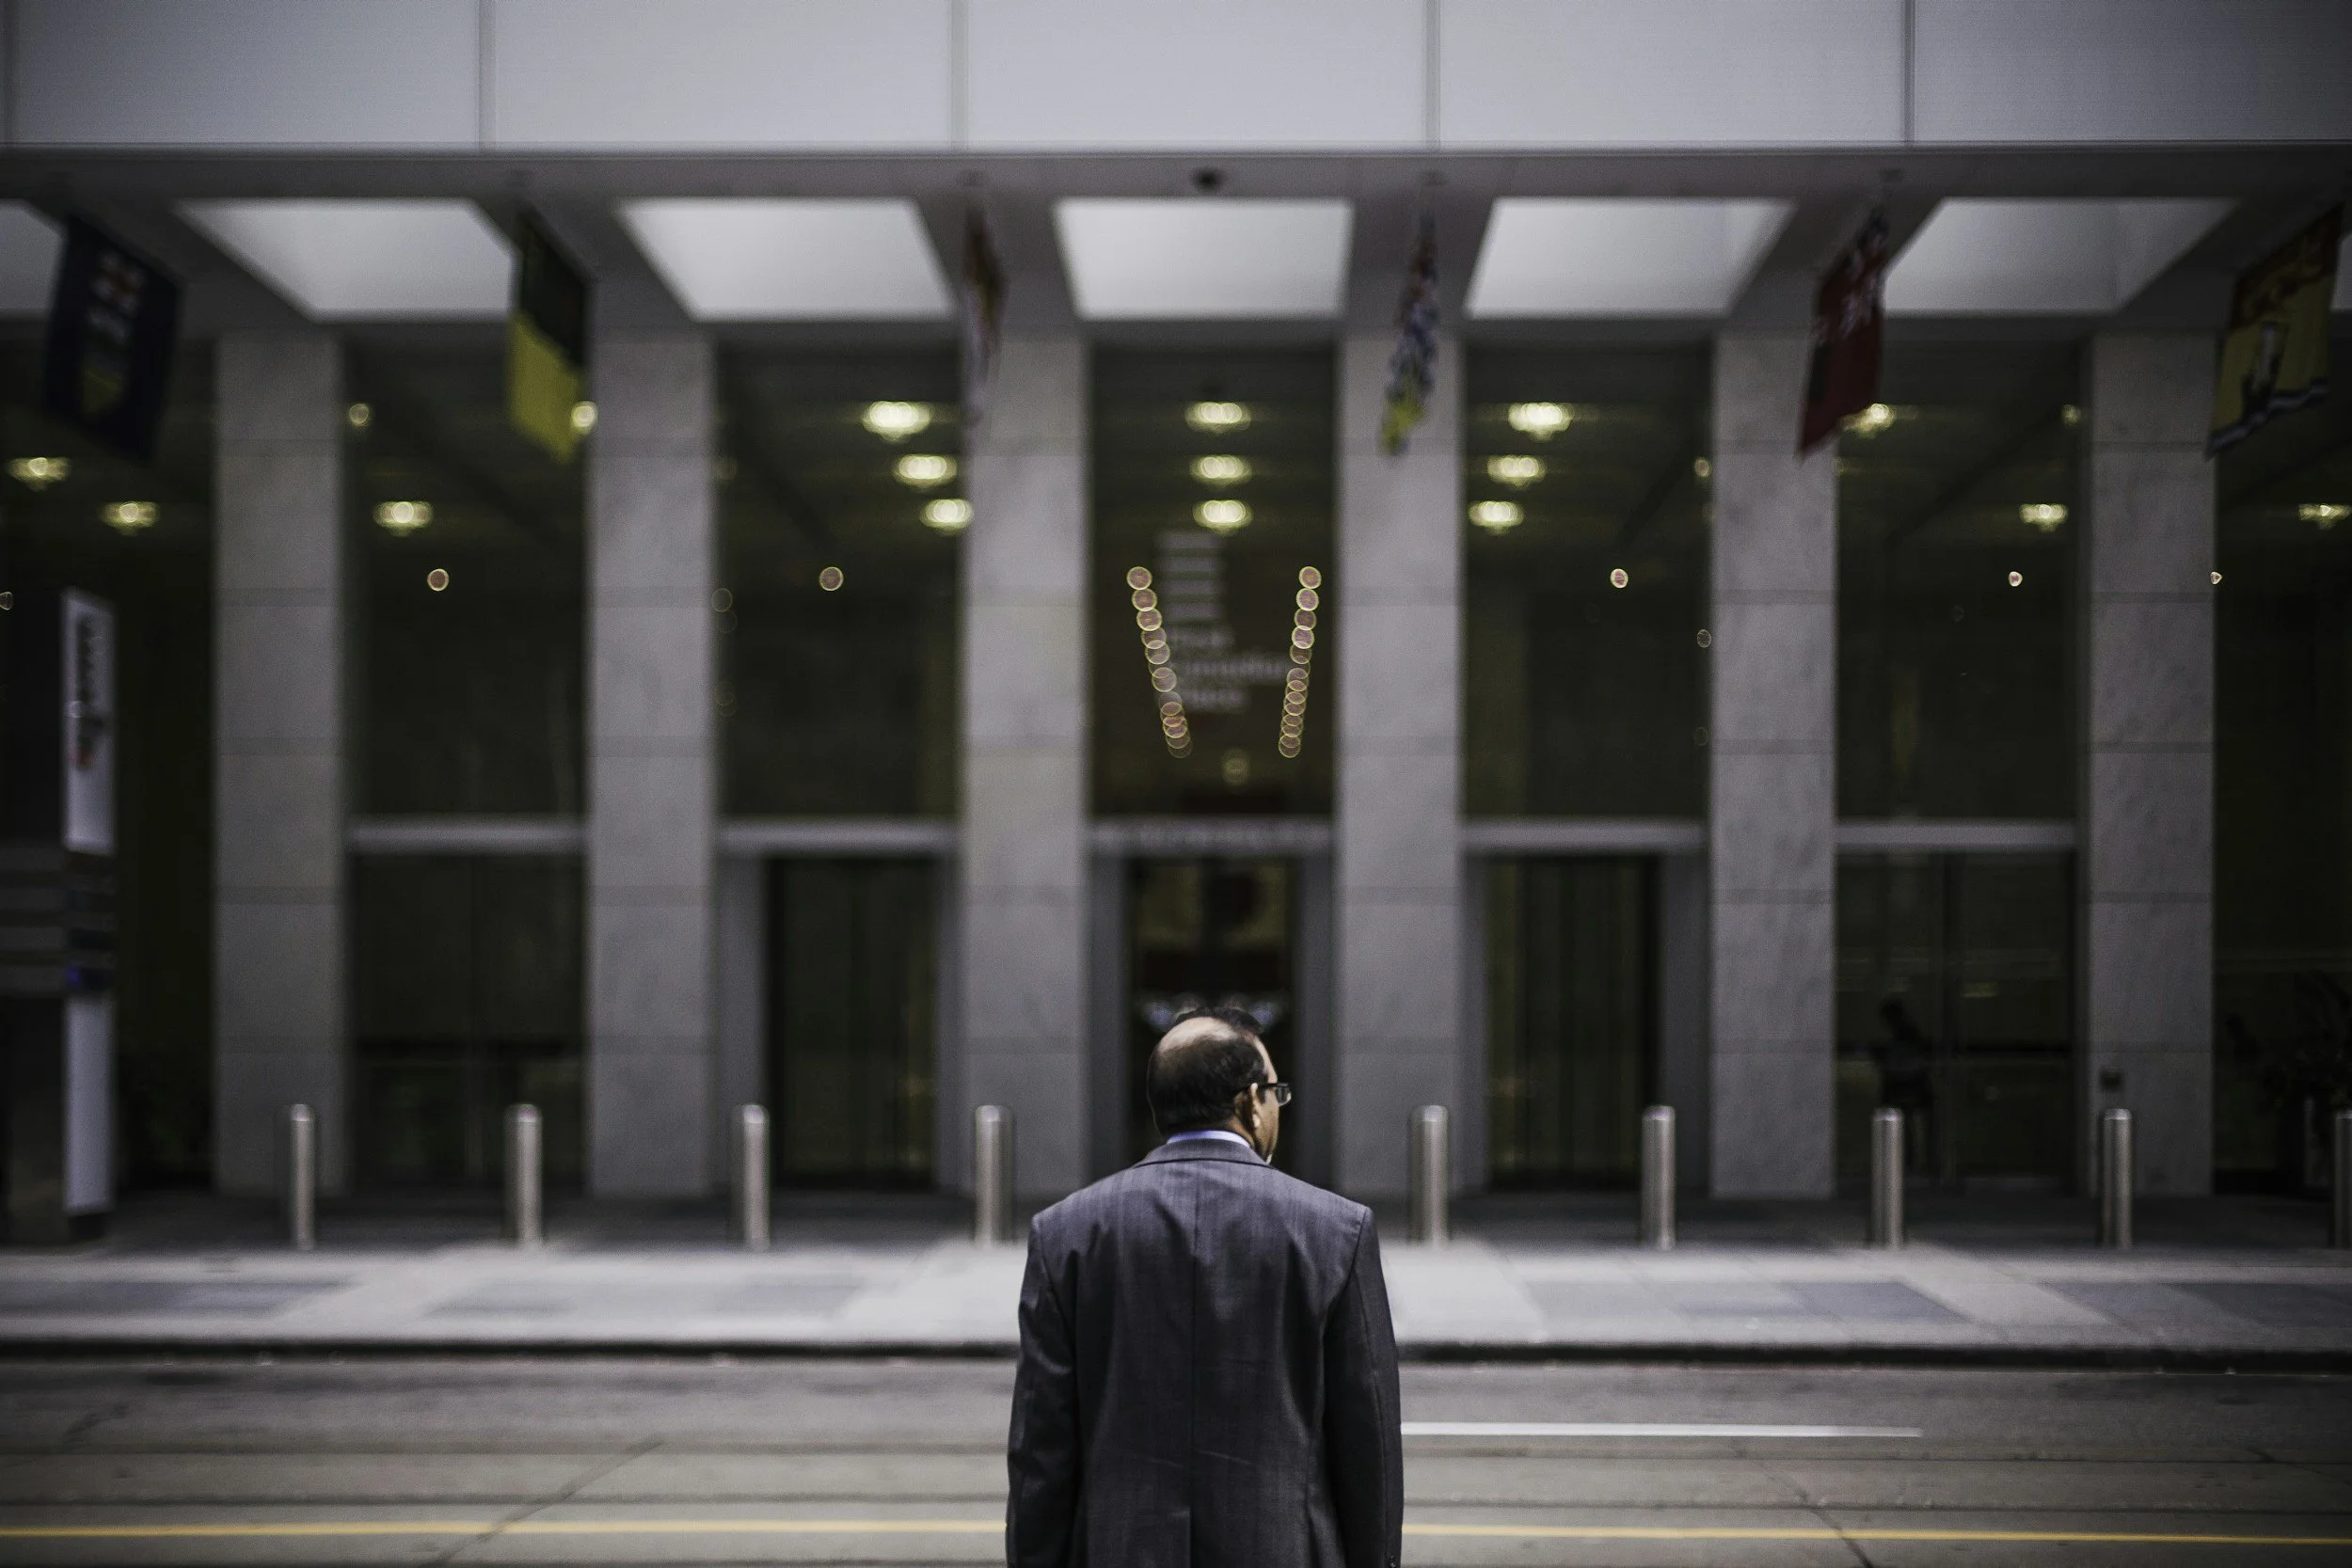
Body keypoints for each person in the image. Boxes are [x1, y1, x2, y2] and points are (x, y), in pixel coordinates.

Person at [1006, 1008, 1402, 1568]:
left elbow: (1040, 1453)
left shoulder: (1067, 1233)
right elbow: (1369, 1448)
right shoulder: (1335, 1230)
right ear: (1248, 1102)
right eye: (1275, 1093)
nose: (1277, 1108)